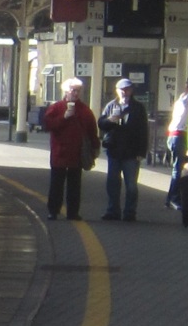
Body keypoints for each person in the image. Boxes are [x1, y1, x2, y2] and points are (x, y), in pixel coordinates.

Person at [41, 77, 100, 221]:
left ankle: (73, 212)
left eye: (78, 91)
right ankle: (53, 211)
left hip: (77, 154)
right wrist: (64, 117)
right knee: (56, 184)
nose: (75, 93)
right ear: (66, 91)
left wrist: (95, 147)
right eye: (73, 90)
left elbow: (92, 131)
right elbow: (47, 125)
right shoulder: (56, 107)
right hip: (59, 153)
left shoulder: (85, 111)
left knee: (75, 185)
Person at [98, 77, 149, 221]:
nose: (125, 92)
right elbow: (101, 124)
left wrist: (141, 152)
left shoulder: (138, 108)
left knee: (131, 185)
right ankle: (112, 211)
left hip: (132, 153)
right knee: (113, 183)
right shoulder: (111, 106)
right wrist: (110, 120)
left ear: (131, 91)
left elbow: (143, 130)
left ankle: (130, 212)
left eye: (127, 89)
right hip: (114, 150)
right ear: (117, 91)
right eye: (122, 90)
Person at [165, 73, 188, 175]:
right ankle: (175, 191)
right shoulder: (186, 99)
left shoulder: (182, 99)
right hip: (179, 135)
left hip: (176, 135)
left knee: (180, 166)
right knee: (179, 167)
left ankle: (177, 189)